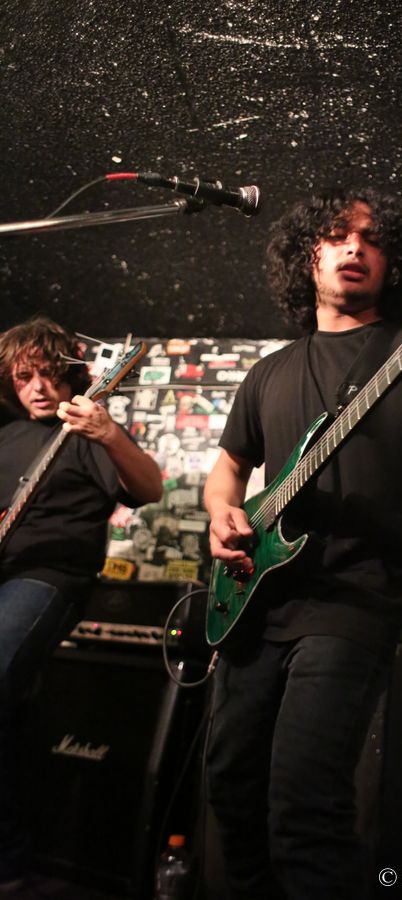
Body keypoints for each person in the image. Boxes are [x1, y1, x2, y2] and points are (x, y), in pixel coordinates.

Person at [203, 187, 402, 900]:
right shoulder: (268, 372)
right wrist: (222, 514)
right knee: (230, 788)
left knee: (304, 807)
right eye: (336, 235)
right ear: (307, 256)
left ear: (395, 263)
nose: (355, 246)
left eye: (374, 238)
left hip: (350, 605)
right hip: (254, 606)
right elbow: (227, 470)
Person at [0, 316, 163, 896]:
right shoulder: (7, 437)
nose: (39, 387)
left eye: (48, 374)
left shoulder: (86, 429)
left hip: (50, 578)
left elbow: (150, 489)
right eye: (25, 377)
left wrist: (109, 433)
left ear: (71, 374)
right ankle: (9, 861)